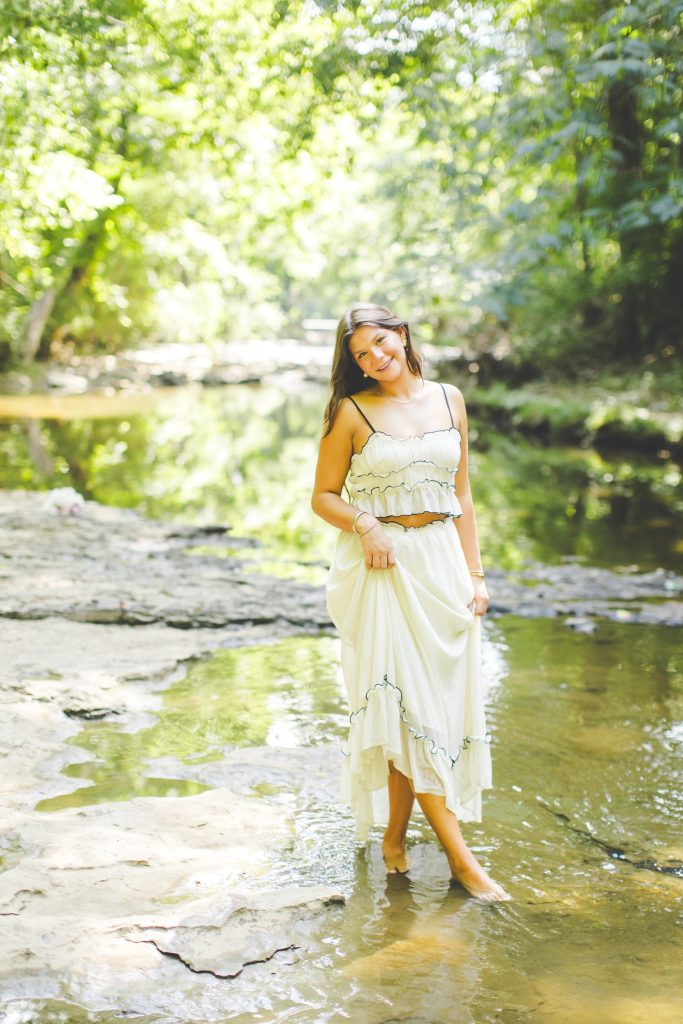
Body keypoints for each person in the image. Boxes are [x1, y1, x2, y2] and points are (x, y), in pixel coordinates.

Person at [311, 302, 510, 903]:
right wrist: (367, 524)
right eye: (361, 354)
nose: (375, 358)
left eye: (380, 342)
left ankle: (394, 838)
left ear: (400, 334)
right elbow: (323, 496)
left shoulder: (450, 399)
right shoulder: (351, 412)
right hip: (386, 569)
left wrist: (476, 574)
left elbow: (462, 494)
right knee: (407, 707)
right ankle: (463, 863)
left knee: (422, 713)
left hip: (442, 565)